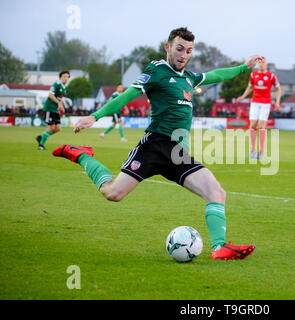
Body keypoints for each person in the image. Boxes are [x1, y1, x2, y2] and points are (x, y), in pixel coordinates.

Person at [52, 27, 261, 260]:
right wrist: (95, 116)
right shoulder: (156, 70)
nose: (183, 55)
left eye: (189, 51)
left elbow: (216, 75)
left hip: (177, 154)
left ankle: (219, 247)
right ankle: (81, 155)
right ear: (168, 47)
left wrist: (244, 66)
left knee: (217, 192)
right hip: (154, 147)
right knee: (112, 193)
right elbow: (127, 95)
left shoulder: (189, 78)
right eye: (179, 48)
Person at [237, 57, 281, 159]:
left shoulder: (271, 76)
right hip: (255, 103)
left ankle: (261, 151)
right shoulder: (253, 75)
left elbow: (278, 89)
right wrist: (243, 97)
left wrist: (278, 102)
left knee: (261, 125)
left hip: (265, 103)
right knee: (252, 125)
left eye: (263, 62)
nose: (261, 64)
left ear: (266, 64)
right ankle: (252, 150)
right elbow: (250, 87)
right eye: (260, 62)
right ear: (257, 64)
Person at [35, 70, 70, 150]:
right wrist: (58, 103)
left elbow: (60, 97)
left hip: (55, 109)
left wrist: (61, 105)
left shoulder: (64, 87)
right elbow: (50, 95)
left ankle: (41, 137)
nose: (66, 78)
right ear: (60, 77)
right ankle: (41, 145)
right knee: (51, 127)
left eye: (67, 77)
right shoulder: (56, 84)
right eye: (64, 76)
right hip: (49, 108)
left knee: (58, 128)